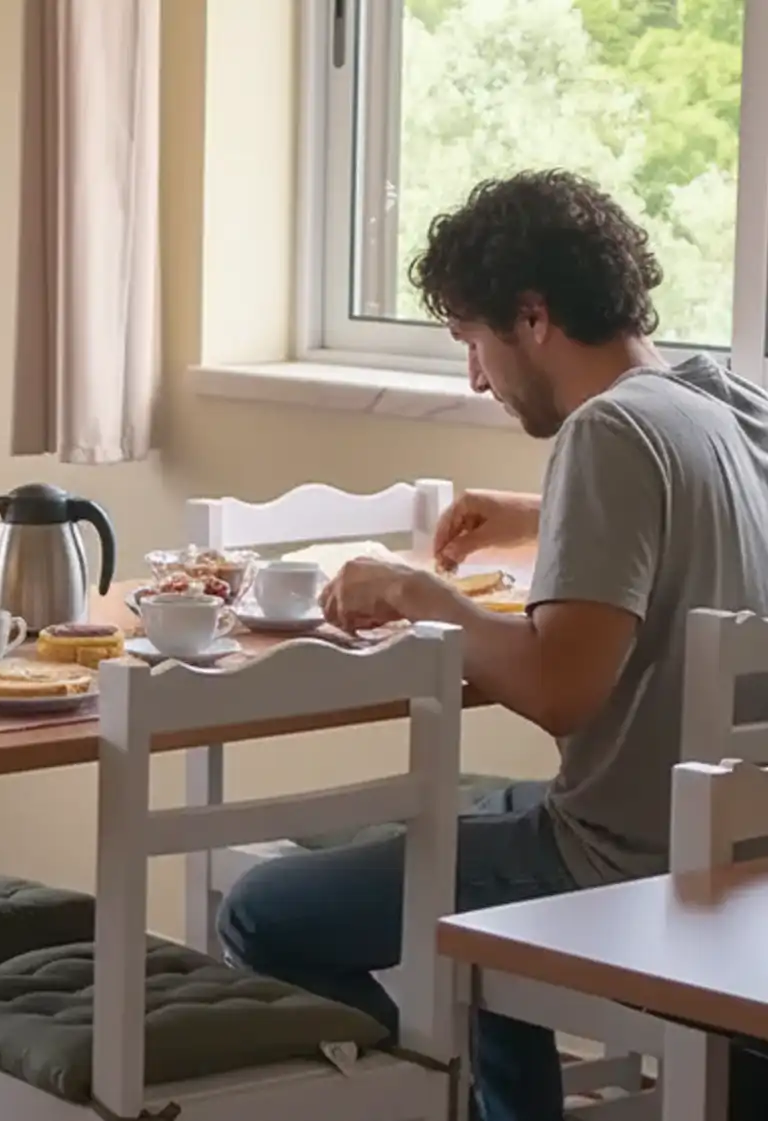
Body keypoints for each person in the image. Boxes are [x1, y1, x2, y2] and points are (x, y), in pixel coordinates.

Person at [213, 169, 768, 1121]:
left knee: (262, 910)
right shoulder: (726, 404)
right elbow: (688, 525)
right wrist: (540, 512)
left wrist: (425, 597)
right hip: (736, 842)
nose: (476, 375)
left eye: (473, 339)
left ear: (534, 314)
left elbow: (563, 689)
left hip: (624, 861)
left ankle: (432, 1098)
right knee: (465, 875)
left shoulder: (610, 431)